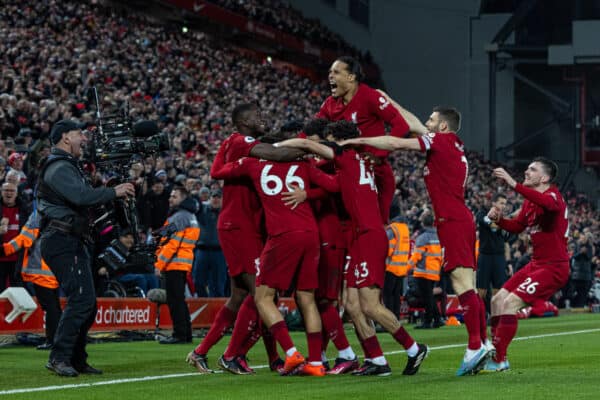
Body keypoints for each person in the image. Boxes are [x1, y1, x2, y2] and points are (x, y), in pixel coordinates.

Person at [339, 107, 491, 376]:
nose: (426, 123)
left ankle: (474, 346)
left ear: (442, 126)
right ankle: (483, 343)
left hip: (452, 220)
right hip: (460, 217)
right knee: (468, 283)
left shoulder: (439, 141)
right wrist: (389, 103)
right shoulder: (450, 144)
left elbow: (397, 142)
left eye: (431, 120)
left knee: (461, 283)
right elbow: (412, 123)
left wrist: (357, 141)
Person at [276, 120, 429, 377]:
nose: (325, 143)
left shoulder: (346, 155)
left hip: (369, 236)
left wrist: (274, 148)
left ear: (336, 139)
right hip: (359, 237)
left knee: (369, 306)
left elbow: (304, 143)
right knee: (352, 305)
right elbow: (336, 186)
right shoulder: (359, 163)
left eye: (329, 139)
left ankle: (414, 348)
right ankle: (377, 359)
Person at [186, 103, 303, 374]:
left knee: (241, 296)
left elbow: (216, 170)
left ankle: (203, 352)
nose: (263, 118)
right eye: (257, 115)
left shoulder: (232, 144)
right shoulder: (243, 142)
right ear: (243, 120)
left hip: (239, 226)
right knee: (262, 295)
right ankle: (238, 356)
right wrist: (312, 147)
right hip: (240, 227)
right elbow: (277, 153)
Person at [211, 140, 341, 377]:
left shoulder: (252, 164)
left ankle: (291, 353)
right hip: (310, 234)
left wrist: (225, 145)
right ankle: (315, 363)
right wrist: (307, 194)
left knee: (262, 298)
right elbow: (334, 185)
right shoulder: (304, 164)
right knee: (307, 299)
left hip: (282, 236)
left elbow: (217, 171)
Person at [37, 119, 135, 377]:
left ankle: (77, 358)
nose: (84, 138)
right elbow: (81, 197)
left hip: (73, 238)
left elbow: (85, 197)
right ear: (65, 138)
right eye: (79, 133)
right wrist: (113, 192)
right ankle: (59, 357)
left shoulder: (69, 166)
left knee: (88, 303)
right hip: (61, 239)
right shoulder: (58, 167)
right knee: (81, 298)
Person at [484, 158, 570, 372]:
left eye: (532, 169)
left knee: (510, 303)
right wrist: (500, 219)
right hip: (536, 264)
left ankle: (499, 359)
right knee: (497, 300)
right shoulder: (530, 202)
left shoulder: (553, 196)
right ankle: (496, 352)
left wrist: (513, 183)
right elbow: (517, 227)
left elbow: (549, 205)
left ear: (544, 178)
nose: (527, 171)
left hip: (554, 267)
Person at [316, 56, 417, 223]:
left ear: (351, 77)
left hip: (375, 173)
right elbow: (312, 130)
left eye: (336, 72)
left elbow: (401, 125)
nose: (330, 76)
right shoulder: (329, 104)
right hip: (344, 170)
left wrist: (379, 155)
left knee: (374, 226)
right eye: (329, 72)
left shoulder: (370, 96)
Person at [1, 211, 61, 350]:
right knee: (54, 308)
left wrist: (5, 249)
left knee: (51, 308)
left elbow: (24, 239)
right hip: (55, 269)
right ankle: (57, 339)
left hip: (40, 271)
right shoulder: (61, 212)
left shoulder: (39, 214)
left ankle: (52, 341)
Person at [155, 186, 200, 344]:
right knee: (179, 301)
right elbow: (163, 236)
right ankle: (185, 334)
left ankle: (179, 335)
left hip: (174, 263)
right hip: (182, 263)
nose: (170, 199)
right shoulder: (189, 215)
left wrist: (159, 264)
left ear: (182, 198)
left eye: (174, 196)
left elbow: (171, 244)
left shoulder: (179, 216)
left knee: (175, 302)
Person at [476, 194, 512, 311]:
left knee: (498, 289)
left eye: (505, 204)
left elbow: (506, 242)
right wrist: (498, 222)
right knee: (482, 290)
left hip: (499, 257)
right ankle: (480, 315)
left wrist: (509, 262)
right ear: (494, 203)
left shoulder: (504, 220)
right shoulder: (481, 214)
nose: (504, 206)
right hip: (485, 256)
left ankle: (495, 316)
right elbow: (492, 226)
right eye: (501, 203)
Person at [409, 213, 444, 329]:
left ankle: (428, 321)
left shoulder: (422, 238)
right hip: (434, 271)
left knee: (426, 297)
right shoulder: (438, 236)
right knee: (430, 296)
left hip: (423, 271)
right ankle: (437, 319)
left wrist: (406, 268)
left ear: (423, 223)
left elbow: (416, 257)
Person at [193, 188, 228, 298]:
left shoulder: (227, 212)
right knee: (198, 281)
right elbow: (192, 204)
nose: (216, 199)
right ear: (210, 198)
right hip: (202, 250)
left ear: (223, 199)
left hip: (220, 252)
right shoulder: (201, 210)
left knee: (218, 284)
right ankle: (202, 304)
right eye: (213, 197)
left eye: (218, 197)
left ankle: (217, 310)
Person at [0, 181, 29, 291]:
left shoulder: (25, 209)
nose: (9, 193)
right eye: (6, 190)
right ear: (1, 192)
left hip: (18, 258)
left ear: (16, 193)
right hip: (1, 256)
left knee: (18, 291)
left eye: (12, 191)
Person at [384, 216, 411, 319]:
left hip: (391, 267)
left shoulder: (392, 229)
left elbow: (389, 249)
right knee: (396, 295)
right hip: (401, 268)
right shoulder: (405, 229)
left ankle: (389, 319)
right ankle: (396, 318)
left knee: (388, 295)